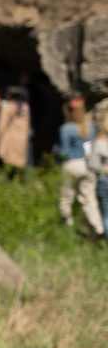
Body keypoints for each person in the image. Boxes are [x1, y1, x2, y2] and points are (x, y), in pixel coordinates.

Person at [56, 95, 104, 238]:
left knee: (66, 198)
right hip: (87, 166)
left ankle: (67, 227)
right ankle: (98, 229)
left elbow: (64, 152)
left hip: (71, 165)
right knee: (89, 200)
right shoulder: (90, 127)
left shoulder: (66, 129)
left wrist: (56, 150)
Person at [0, 86, 31, 179]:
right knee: (16, 162)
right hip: (21, 140)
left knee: (2, 159)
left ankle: (0, 178)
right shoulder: (26, 108)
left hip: (9, 138)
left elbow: (1, 125)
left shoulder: (8, 107)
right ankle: (13, 178)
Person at [88, 111, 108, 243]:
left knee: (106, 215)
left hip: (104, 180)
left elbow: (93, 164)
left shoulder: (99, 142)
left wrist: (102, 168)